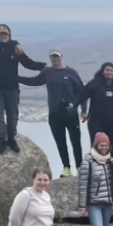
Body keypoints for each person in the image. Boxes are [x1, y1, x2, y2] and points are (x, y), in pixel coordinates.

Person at [19, 49, 85, 177]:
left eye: (57, 57)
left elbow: (81, 93)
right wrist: (17, 78)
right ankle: (66, 168)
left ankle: (79, 167)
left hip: (71, 114)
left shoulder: (71, 72)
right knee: (61, 142)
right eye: (53, 57)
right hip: (54, 114)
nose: (55, 59)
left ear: (62, 57)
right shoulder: (48, 72)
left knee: (75, 141)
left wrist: (84, 110)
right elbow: (34, 81)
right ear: (50, 59)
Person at [0, 24, 45, 156]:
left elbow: (28, 63)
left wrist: (44, 66)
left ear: (9, 35)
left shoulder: (15, 47)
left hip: (12, 88)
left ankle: (12, 139)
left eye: (5, 34)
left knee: (13, 115)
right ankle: (3, 140)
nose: (3, 36)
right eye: (0, 34)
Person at [75, 62, 113, 157]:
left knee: (110, 147)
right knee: (96, 146)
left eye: (111, 70)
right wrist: (73, 105)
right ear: (102, 72)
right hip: (96, 121)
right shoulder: (94, 84)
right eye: (107, 70)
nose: (109, 72)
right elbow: (82, 95)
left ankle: (111, 169)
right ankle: (95, 169)